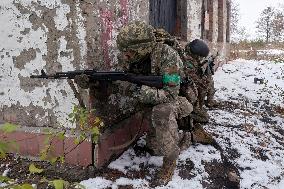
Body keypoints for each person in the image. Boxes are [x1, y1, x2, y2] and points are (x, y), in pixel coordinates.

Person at [75, 21, 193, 186]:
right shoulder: (131, 59)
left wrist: (137, 91)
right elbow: (118, 85)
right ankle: (165, 140)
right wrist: (92, 82)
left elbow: (170, 94)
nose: (125, 56)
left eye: (129, 52)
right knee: (155, 148)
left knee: (161, 113)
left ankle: (170, 161)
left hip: (176, 101)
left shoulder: (168, 56)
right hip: (151, 100)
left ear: (142, 48)